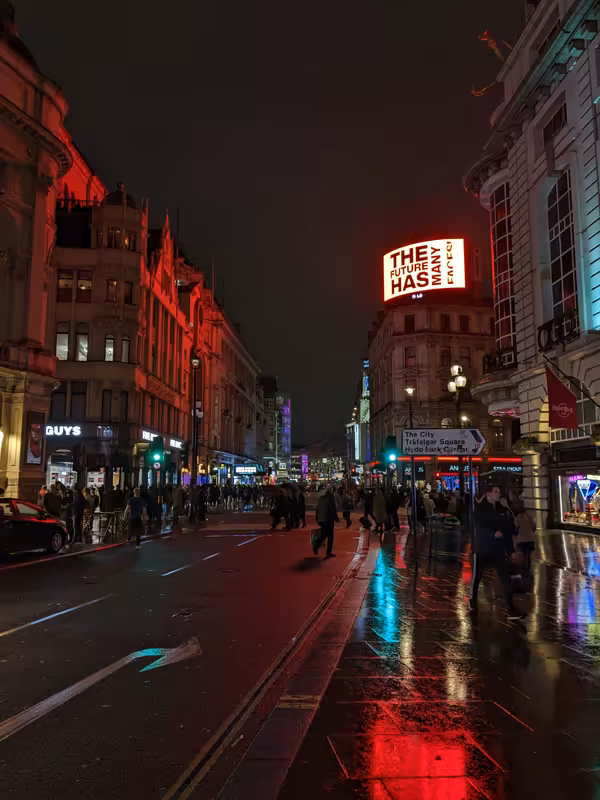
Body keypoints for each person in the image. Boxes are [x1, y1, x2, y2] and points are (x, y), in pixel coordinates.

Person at [470, 485, 525, 621]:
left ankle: (511, 607)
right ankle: (473, 602)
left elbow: (506, 530)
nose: (498, 494)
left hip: (497, 550)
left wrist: (511, 550)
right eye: (496, 492)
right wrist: (492, 534)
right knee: (477, 578)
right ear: (488, 494)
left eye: (499, 492)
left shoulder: (501, 509)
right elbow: (478, 527)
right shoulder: (480, 509)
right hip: (482, 550)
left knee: (506, 578)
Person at [314, 486, 339, 557]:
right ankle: (326, 550)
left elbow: (317, 508)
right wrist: (336, 517)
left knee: (325, 533)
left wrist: (317, 518)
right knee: (330, 535)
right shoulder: (331, 498)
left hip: (321, 519)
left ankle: (317, 544)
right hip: (328, 519)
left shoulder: (321, 498)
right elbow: (332, 509)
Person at [514, 506, 536, 574]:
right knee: (528, 556)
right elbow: (534, 527)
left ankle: (523, 571)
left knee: (521, 557)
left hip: (521, 540)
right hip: (530, 539)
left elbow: (515, 529)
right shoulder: (528, 517)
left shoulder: (517, 518)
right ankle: (528, 570)